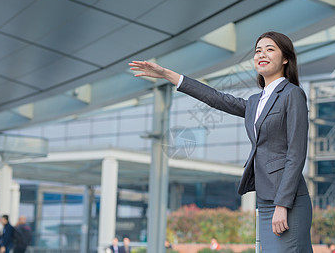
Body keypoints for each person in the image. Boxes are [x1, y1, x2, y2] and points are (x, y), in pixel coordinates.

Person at [130, 31, 313, 252]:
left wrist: (283, 204)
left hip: (287, 201)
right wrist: (168, 75)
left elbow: (296, 153)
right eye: (257, 51)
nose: (261, 54)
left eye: (270, 49)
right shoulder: (256, 101)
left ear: (285, 58)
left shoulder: (292, 94)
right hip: (266, 200)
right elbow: (217, 98)